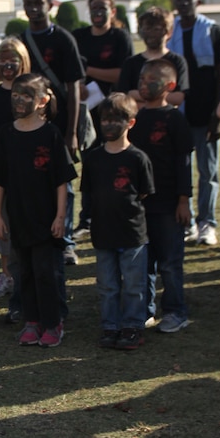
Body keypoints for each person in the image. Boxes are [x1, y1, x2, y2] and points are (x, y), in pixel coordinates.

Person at [0, 73, 77, 348]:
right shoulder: (6, 133)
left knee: (46, 273)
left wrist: (61, 216)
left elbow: (62, 180)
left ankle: (53, 323)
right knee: (23, 272)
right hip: (17, 218)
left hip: (47, 218)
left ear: (42, 101)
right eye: (16, 94)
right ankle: (32, 321)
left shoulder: (50, 134)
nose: (19, 100)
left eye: (27, 95)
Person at [18, 0, 85, 265]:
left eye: (38, 2)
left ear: (50, 4)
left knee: (63, 186)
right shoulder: (21, 40)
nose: (33, 8)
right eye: (28, 3)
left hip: (61, 125)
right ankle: (38, 237)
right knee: (33, 184)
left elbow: (75, 87)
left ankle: (66, 241)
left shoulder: (64, 39)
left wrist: (71, 132)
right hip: (31, 125)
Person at [81, 94, 154, 350]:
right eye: (105, 120)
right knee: (108, 285)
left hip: (133, 234)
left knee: (134, 285)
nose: (109, 125)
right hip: (103, 233)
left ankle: (133, 326)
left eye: (116, 120)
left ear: (131, 123)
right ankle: (110, 326)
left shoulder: (138, 159)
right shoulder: (93, 159)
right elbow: (88, 193)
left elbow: (143, 193)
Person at [129, 59, 193, 334]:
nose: (143, 86)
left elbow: (184, 163)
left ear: (169, 86)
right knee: (144, 263)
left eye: (150, 81)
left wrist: (183, 201)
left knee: (169, 262)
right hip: (141, 206)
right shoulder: (137, 118)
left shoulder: (174, 119)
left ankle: (176, 311)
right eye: (141, 81)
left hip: (169, 205)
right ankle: (145, 311)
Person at [167, 0, 220, 246]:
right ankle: (187, 222)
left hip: (207, 114)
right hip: (178, 115)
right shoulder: (170, 33)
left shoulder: (212, 31)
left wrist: (217, 116)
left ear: (197, 0)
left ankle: (207, 223)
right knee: (182, 170)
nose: (183, 3)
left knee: (208, 171)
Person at [73, 0, 133, 238]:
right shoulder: (79, 37)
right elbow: (71, 70)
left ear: (113, 12)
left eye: (103, 8)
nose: (98, 12)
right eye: (94, 8)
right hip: (86, 112)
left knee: (115, 165)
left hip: (113, 112)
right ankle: (86, 219)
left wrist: (88, 71)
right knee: (90, 165)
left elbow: (123, 73)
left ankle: (113, 216)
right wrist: (78, 83)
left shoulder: (119, 37)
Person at [0, 37, 31, 321]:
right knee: (3, 224)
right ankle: (6, 274)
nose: (8, 64)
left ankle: (26, 273)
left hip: (29, 171)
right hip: (2, 172)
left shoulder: (33, 91)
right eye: (3, 59)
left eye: (13, 58)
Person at [117, 6, 189, 109]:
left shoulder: (177, 61)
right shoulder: (131, 63)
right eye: (147, 29)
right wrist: (160, 96)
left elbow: (178, 97)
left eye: (157, 29)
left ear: (169, 33)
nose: (151, 34)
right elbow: (124, 96)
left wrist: (139, 95)